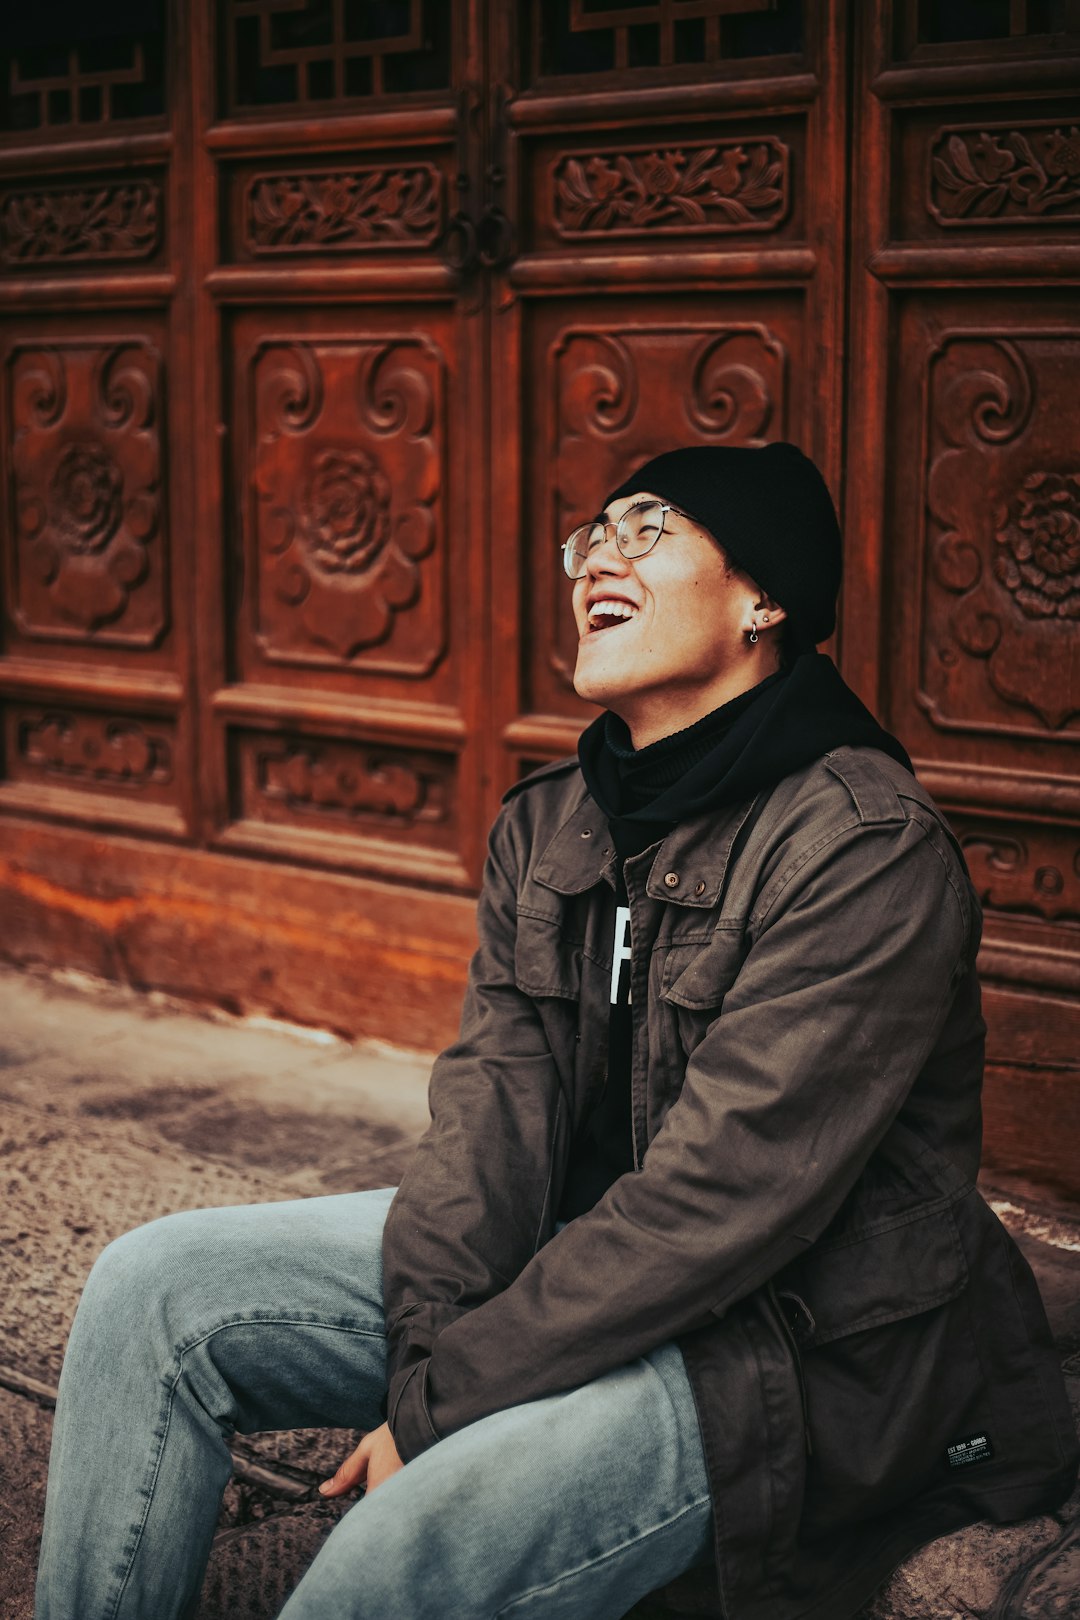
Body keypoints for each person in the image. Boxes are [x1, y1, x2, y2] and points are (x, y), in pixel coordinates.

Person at [36, 444, 1077, 1620]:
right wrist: (437, 1359)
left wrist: (436, 1410)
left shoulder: (861, 848)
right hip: (582, 1267)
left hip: (794, 1338)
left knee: (400, 1553)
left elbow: (717, 1209)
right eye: (593, 536)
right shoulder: (552, 823)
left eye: (651, 531)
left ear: (765, 600)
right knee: (154, 1287)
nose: (598, 559)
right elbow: (486, 1125)